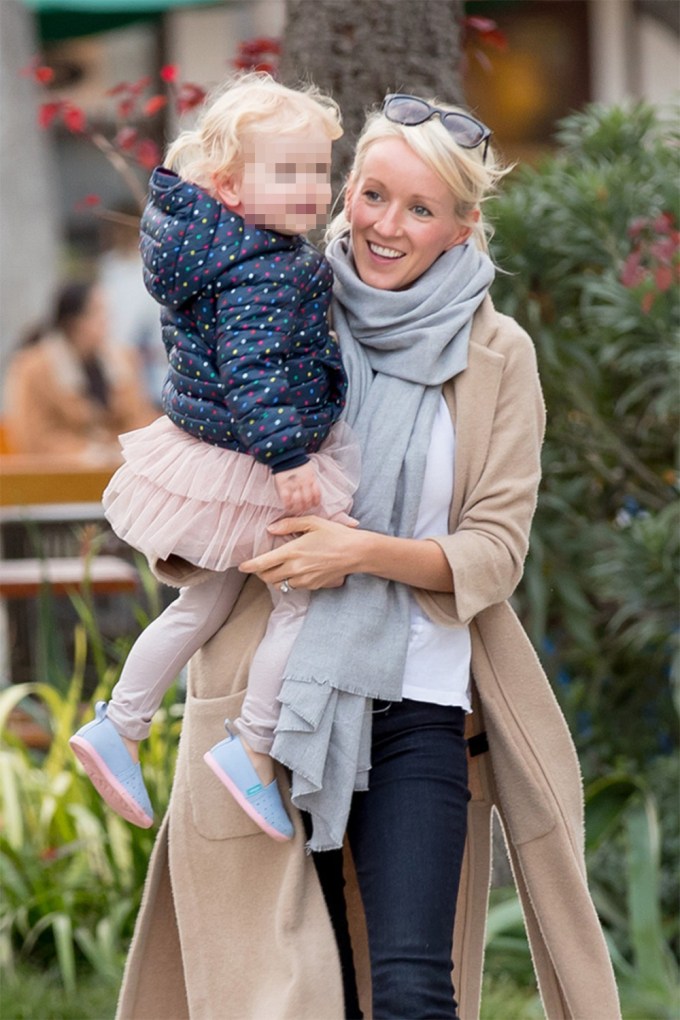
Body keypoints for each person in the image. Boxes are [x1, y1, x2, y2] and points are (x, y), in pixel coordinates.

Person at [114, 93, 621, 1020]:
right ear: (346, 189)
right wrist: (235, 550)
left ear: (463, 227)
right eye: (375, 194)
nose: (388, 226)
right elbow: (199, 477)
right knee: (300, 993)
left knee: (414, 991)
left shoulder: (498, 355)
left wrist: (362, 552)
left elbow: (495, 554)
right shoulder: (278, 300)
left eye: (421, 209)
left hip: (417, 703)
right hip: (266, 713)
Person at [69, 74, 359, 843]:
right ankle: (255, 747)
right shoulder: (262, 268)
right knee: (304, 599)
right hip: (257, 461)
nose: (313, 189)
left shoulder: (215, 247)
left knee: (203, 601)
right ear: (229, 188)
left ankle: (120, 723)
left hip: (217, 453)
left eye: (318, 172)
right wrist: (290, 455)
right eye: (288, 173)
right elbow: (253, 367)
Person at [3, 280, 156, 460]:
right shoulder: (32, 369)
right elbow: (33, 437)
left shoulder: (122, 361)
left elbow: (142, 420)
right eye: (98, 312)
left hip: (118, 470)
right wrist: (87, 454)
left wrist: (121, 451)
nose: (106, 320)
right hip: (59, 477)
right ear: (74, 322)